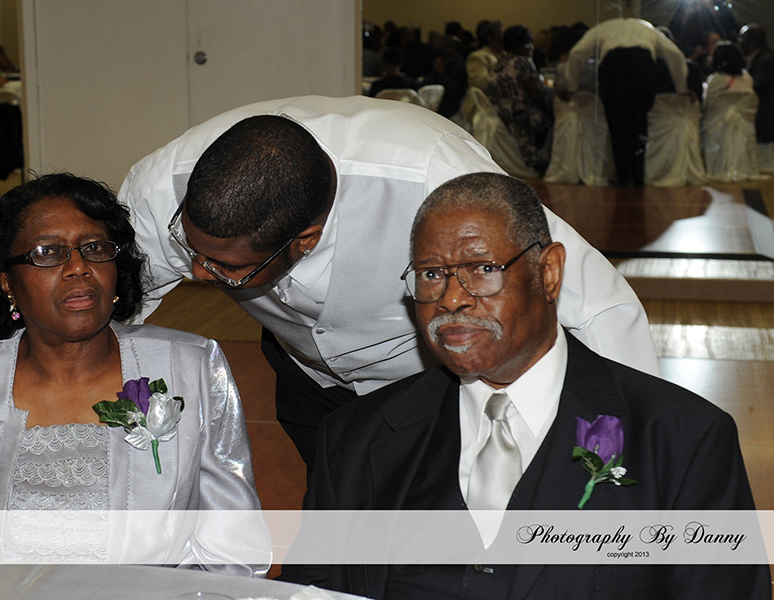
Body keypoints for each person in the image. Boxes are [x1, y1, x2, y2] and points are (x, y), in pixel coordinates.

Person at [279, 172, 769, 599]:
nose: (451, 298)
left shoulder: (683, 440)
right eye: (431, 274)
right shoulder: (354, 439)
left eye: (482, 269)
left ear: (548, 272)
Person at [119, 95, 660, 470]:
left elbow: (597, 306)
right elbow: (113, 305)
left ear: (306, 240)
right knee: (340, 520)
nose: (198, 273)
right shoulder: (164, 191)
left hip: (430, 379)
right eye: (192, 249)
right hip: (305, 378)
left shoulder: (435, 179)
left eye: (229, 269)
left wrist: (631, 448)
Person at [0, 173, 267, 572]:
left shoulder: (188, 367)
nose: (78, 267)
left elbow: (233, 551)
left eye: (94, 248)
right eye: (48, 252)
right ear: (7, 282)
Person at [564, 18, 690, 186]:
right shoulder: (647, 28)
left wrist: (571, 85)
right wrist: (681, 87)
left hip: (614, 65)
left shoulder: (604, 27)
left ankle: (623, 175)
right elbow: (675, 55)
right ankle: (638, 175)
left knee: (617, 123)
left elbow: (577, 53)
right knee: (639, 121)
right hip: (642, 64)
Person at [486, 25, 554, 174]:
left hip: (502, 113)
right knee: (554, 118)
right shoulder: (523, 63)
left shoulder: (500, 62)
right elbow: (535, 95)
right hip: (521, 115)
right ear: (521, 45)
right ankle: (544, 164)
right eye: (528, 44)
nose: (531, 48)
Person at [739, 25, 774, 152]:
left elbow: (754, 87)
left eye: (742, 38)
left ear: (752, 41)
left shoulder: (765, 60)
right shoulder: (758, 57)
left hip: (765, 117)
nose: (740, 42)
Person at [466, 20, 504, 91]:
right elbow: (481, 84)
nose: (504, 39)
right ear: (490, 39)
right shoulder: (478, 57)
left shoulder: (506, 55)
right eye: (500, 36)